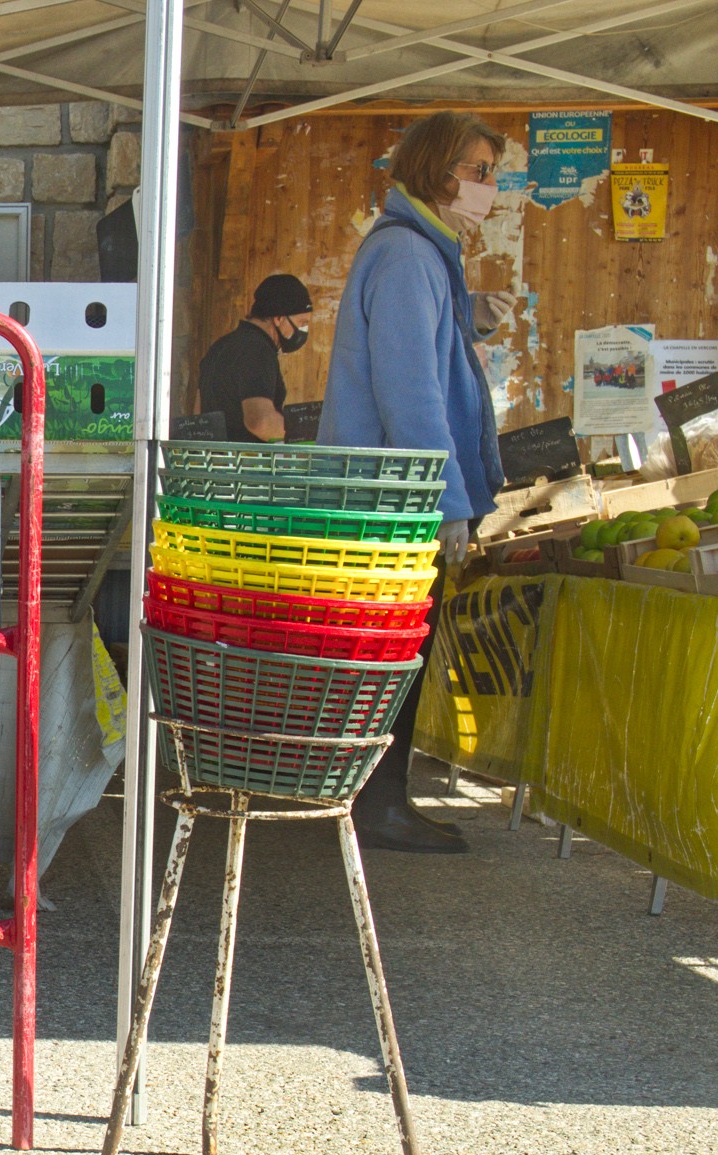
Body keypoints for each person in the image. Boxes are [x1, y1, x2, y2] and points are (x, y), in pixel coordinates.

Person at [318, 110, 519, 854]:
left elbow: (420, 353)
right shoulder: (408, 256)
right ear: (438, 172)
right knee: (396, 655)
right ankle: (378, 805)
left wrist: (475, 319)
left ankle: (376, 799)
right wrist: (447, 504)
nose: (489, 187)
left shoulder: (420, 253)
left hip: (392, 496)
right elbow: (412, 394)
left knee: (394, 653)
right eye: (479, 171)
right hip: (393, 503)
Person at [197, 274, 314, 443]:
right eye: (302, 322)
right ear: (279, 318)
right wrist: (306, 433)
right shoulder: (258, 352)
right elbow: (260, 422)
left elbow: (198, 412)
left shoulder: (219, 347)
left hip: (211, 463)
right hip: (244, 466)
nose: (304, 330)